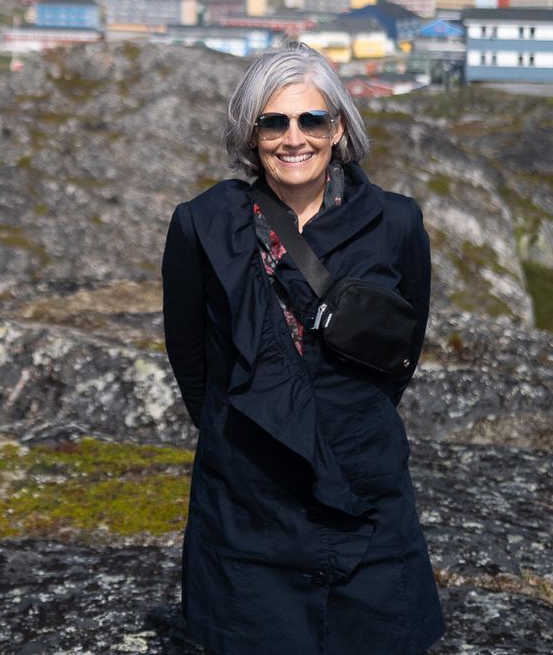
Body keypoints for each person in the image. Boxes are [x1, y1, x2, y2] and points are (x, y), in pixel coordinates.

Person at [161, 41, 443, 654]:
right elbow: (190, 355)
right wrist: (237, 429)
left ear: (338, 128)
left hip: (362, 483)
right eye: (274, 121)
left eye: (312, 119)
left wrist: (345, 417)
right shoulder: (201, 223)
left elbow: (403, 347)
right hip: (248, 493)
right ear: (251, 133)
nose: (295, 138)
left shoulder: (396, 223)